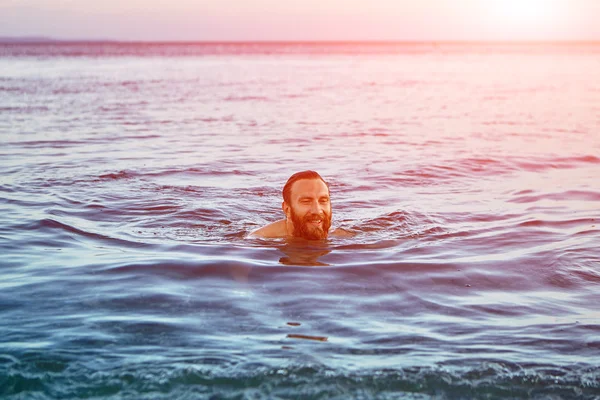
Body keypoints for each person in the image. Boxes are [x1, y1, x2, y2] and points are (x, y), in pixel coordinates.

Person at [249, 170, 352, 240]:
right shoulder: (259, 240)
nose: (317, 210)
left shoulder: (341, 235)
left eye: (323, 201)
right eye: (306, 201)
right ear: (287, 209)